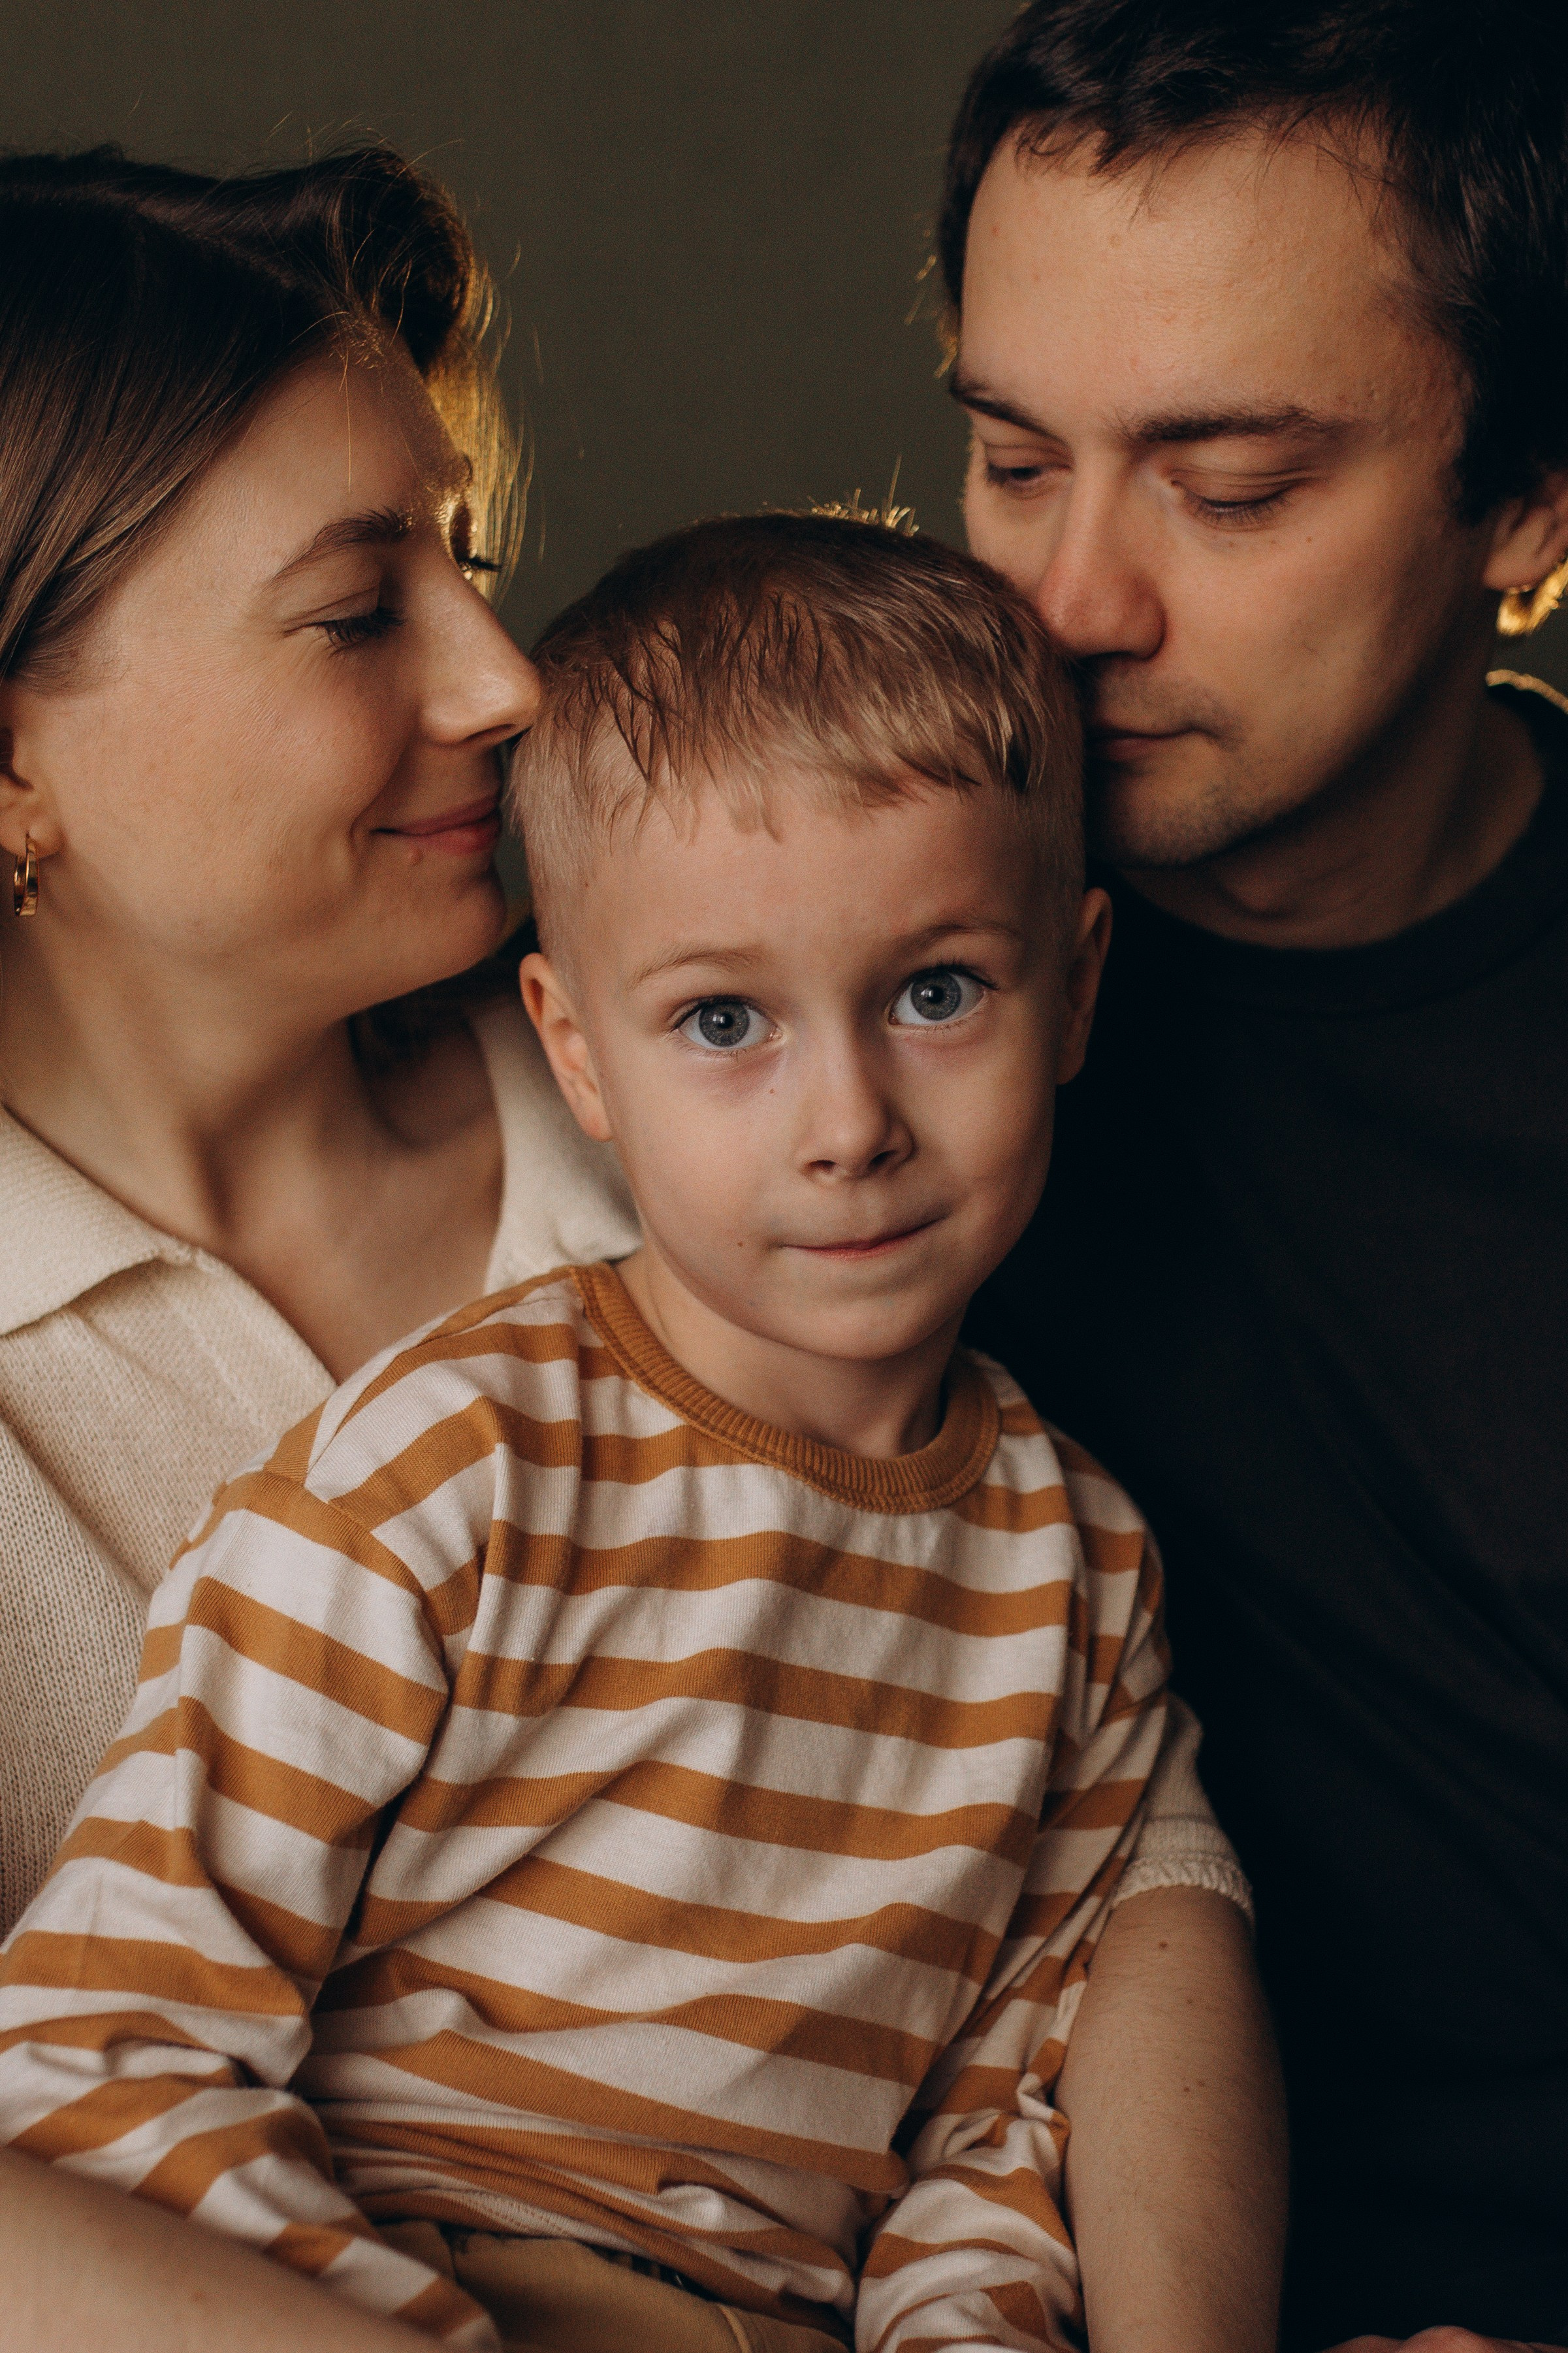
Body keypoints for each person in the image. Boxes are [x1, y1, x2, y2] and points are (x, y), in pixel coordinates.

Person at [0, 143, 1268, 2353]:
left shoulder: (777, 1099)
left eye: (470, 558)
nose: (507, 680)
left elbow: (1074, 1911)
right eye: (356, 601)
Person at [939, 4, 1568, 2347]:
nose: (1072, 602)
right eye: (1011, 458)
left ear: (1530, 502)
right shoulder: (763, 957)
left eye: (1228, 485)